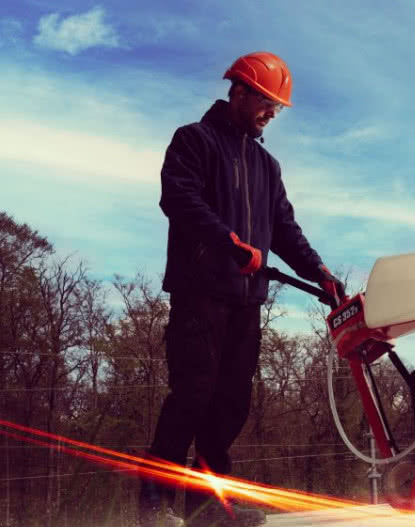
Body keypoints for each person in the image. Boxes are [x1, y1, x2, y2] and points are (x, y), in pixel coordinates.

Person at [138, 51, 347, 527]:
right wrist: (229, 243)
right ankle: (154, 504)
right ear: (240, 91)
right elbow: (178, 197)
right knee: (192, 394)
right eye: (268, 102)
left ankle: (208, 506)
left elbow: (284, 229)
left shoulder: (267, 166)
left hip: (246, 300)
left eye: (277, 106)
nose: (273, 113)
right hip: (200, 292)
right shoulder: (194, 140)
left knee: (231, 404)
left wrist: (321, 272)